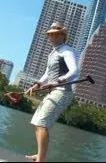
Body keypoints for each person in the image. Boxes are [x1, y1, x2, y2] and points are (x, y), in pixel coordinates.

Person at [24, 22, 78, 162]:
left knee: (42, 123)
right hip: (54, 91)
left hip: (62, 91)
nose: (52, 37)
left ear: (62, 36)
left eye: (55, 34)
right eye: (50, 34)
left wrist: (60, 80)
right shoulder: (53, 53)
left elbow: (74, 71)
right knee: (36, 122)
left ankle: (41, 160)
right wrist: (36, 85)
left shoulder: (66, 51)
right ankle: (40, 155)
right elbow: (47, 74)